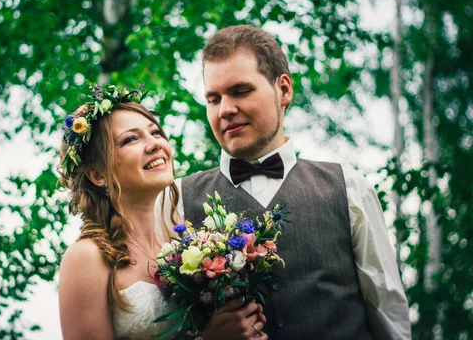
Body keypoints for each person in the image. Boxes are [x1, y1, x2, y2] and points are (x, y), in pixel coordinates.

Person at [159, 25, 411, 339]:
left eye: (240, 91)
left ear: (284, 90)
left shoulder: (348, 187)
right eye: (213, 98)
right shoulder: (176, 198)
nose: (225, 110)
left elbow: (389, 315)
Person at [58, 84, 267, 340]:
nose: (154, 144)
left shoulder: (187, 245)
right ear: (98, 174)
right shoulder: (87, 258)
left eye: (155, 132)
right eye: (131, 139)